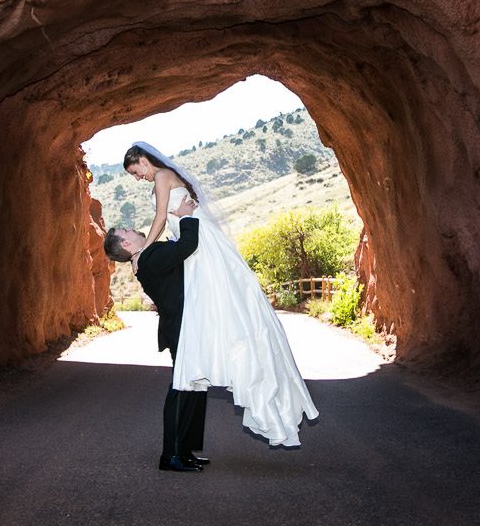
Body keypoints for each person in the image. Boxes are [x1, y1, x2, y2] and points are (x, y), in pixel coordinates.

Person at [123, 142, 319, 447]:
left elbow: (161, 219)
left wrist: (143, 251)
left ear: (143, 160)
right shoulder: (162, 178)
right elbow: (168, 224)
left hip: (201, 244)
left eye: (136, 171)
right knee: (218, 309)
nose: (138, 178)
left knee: (225, 304)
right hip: (193, 240)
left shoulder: (162, 176)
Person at [103, 194, 209, 472]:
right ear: (126, 244)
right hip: (181, 329)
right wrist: (186, 216)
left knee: (194, 388)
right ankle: (171, 455)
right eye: (125, 231)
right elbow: (188, 245)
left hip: (186, 326)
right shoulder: (147, 258)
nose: (131, 229)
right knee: (181, 389)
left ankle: (184, 451)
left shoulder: (146, 256)